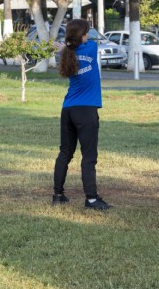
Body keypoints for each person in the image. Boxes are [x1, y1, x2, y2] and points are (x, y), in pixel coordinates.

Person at [52, 19, 111, 210]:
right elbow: (90, 41)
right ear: (83, 35)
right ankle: (91, 199)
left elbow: (68, 47)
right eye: (86, 32)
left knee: (65, 153)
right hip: (86, 110)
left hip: (68, 108)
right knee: (88, 156)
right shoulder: (91, 48)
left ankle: (58, 195)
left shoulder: (66, 54)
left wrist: (63, 47)